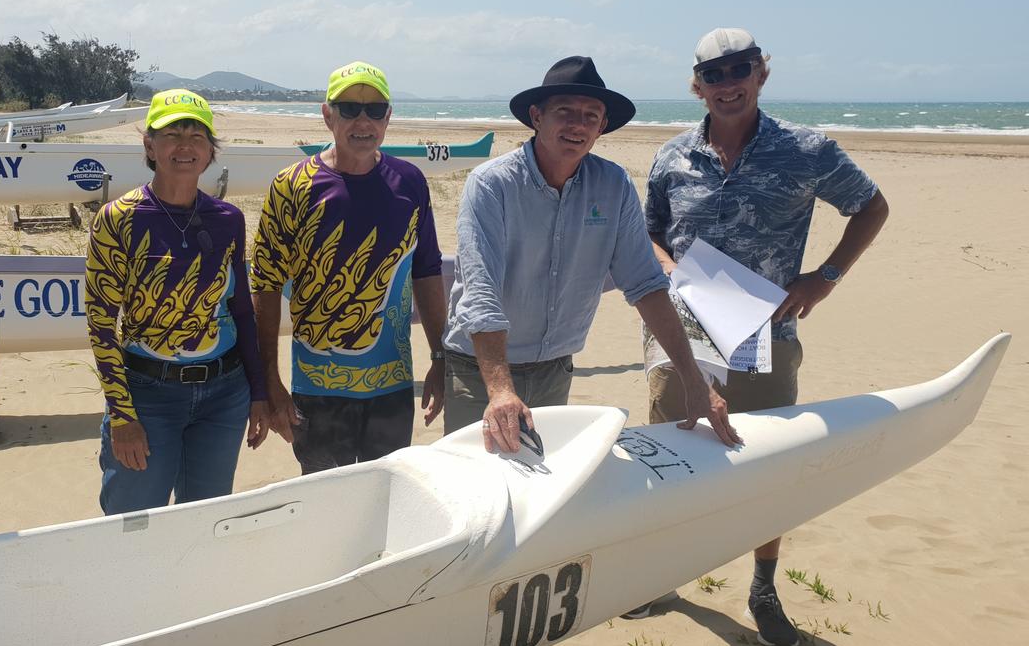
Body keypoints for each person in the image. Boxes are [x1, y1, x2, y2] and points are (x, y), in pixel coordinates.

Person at [645, 28, 890, 646]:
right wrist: (670, 270)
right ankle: (658, 575)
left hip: (765, 333)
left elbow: (871, 207)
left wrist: (826, 277)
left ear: (761, 74)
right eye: (714, 73)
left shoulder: (807, 150)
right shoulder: (671, 156)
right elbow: (646, 231)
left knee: (768, 461)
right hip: (682, 335)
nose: (728, 83)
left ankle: (762, 585)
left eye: (740, 69)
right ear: (696, 84)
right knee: (668, 450)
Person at [442, 55, 737, 458]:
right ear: (536, 116)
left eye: (591, 115)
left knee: (541, 490)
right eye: (564, 112)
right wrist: (500, 390)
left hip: (555, 369)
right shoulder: (491, 185)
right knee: (474, 490)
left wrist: (693, 380)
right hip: (480, 372)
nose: (578, 124)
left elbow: (647, 285)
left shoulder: (612, 184)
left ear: (601, 127)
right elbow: (481, 293)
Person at [251, 61, 446, 474]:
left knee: (387, 501)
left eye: (375, 110)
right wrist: (270, 381)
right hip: (317, 391)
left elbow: (426, 271)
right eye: (349, 109)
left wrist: (441, 357)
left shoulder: (409, 183)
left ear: (388, 117)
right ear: (327, 115)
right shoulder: (292, 186)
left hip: (391, 389)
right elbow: (265, 286)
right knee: (324, 505)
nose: (363, 121)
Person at [85, 89, 271, 515]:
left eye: (197, 135)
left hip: (225, 394)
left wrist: (258, 393)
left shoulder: (228, 219)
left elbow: (241, 308)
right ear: (150, 145)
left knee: (204, 521)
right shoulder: (118, 219)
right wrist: (122, 416)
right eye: (172, 134)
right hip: (147, 395)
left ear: (210, 150)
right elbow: (101, 324)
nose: (185, 145)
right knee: (134, 522)